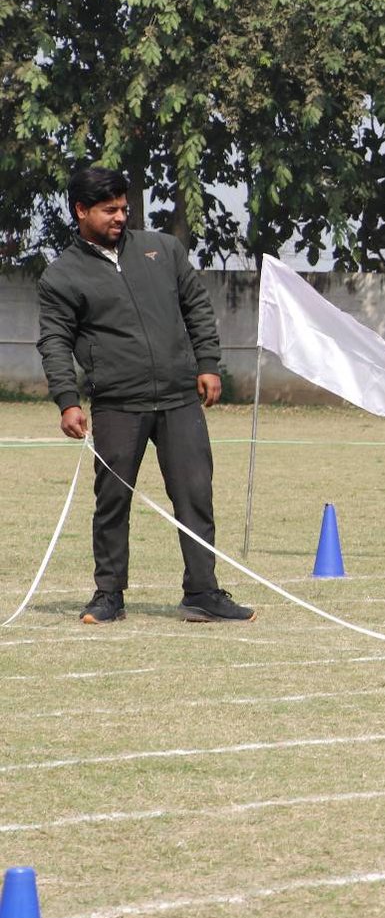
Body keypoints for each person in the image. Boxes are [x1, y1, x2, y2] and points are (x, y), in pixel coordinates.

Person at [36, 165, 255, 625]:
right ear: (81, 210)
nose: (120, 216)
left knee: (195, 495)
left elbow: (197, 306)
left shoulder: (164, 249)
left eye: (123, 208)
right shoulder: (61, 275)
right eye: (109, 209)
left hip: (179, 399)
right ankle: (108, 595)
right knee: (112, 501)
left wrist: (208, 363)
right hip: (118, 403)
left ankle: (203, 592)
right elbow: (54, 341)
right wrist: (67, 400)